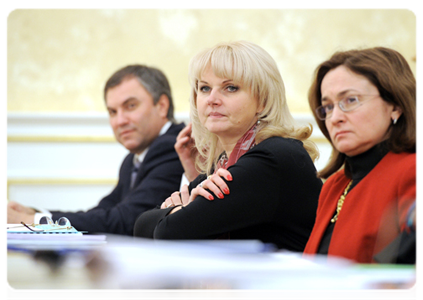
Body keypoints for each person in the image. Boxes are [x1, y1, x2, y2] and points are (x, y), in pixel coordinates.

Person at [134, 41, 323, 251]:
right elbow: (141, 226)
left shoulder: (273, 157)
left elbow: (169, 231)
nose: (212, 99)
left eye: (230, 88)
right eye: (204, 88)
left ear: (263, 101)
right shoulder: (224, 163)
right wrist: (181, 212)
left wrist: (179, 210)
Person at [5, 65, 185, 236]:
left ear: (162, 106)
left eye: (130, 106)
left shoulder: (174, 147)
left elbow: (125, 221)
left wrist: (32, 221)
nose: (119, 121)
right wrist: (36, 213)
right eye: (112, 112)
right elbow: (103, 212)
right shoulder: (133, 160)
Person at [303, 47, 420, 263]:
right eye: (327, 107)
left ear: (395, 105)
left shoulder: (413, 171)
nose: (335, 117)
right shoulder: (333, 186)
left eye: (350, 100)